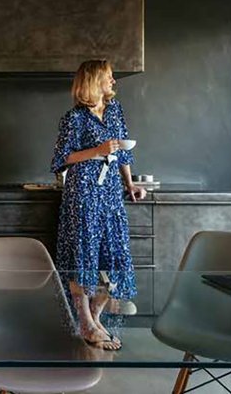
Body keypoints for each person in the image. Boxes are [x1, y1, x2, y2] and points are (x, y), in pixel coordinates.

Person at [50, 59, 147, 351]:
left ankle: (93, 317)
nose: (114, 81)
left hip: (111, 194)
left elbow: (122, 154)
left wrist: (130, 185)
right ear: (94, 81)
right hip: (83, 193)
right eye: (109, 77)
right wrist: (96, 151)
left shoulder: (115, 110)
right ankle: (86, 323)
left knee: (116, 259)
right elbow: (60, 160)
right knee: (83, 258)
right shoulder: (74, 118)